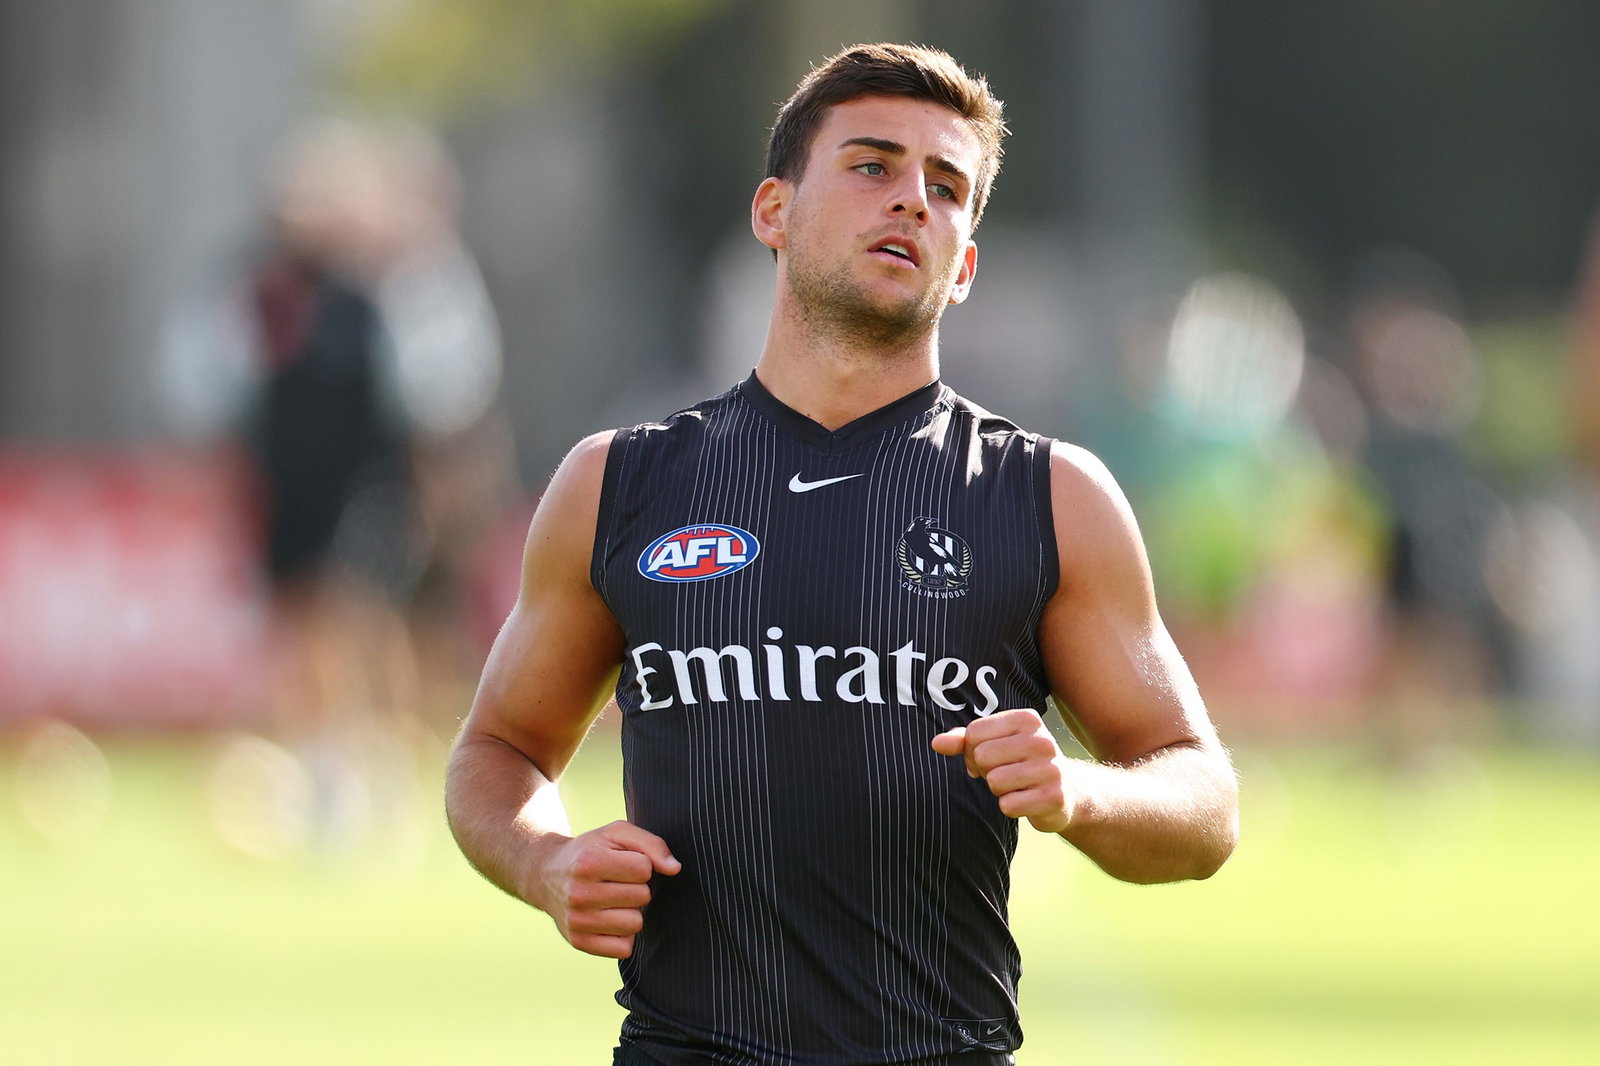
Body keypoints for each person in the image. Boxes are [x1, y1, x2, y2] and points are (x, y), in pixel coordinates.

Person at [446, 43, 1238, 1066]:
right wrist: (545, 862)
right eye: (872, 166)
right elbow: (497, 749)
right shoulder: (620, 483)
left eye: (945, 188)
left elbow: (1203, 800)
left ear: (964, 265)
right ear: (773, 211)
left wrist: (1082, 794)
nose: (911, 199)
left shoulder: (1049, 497)